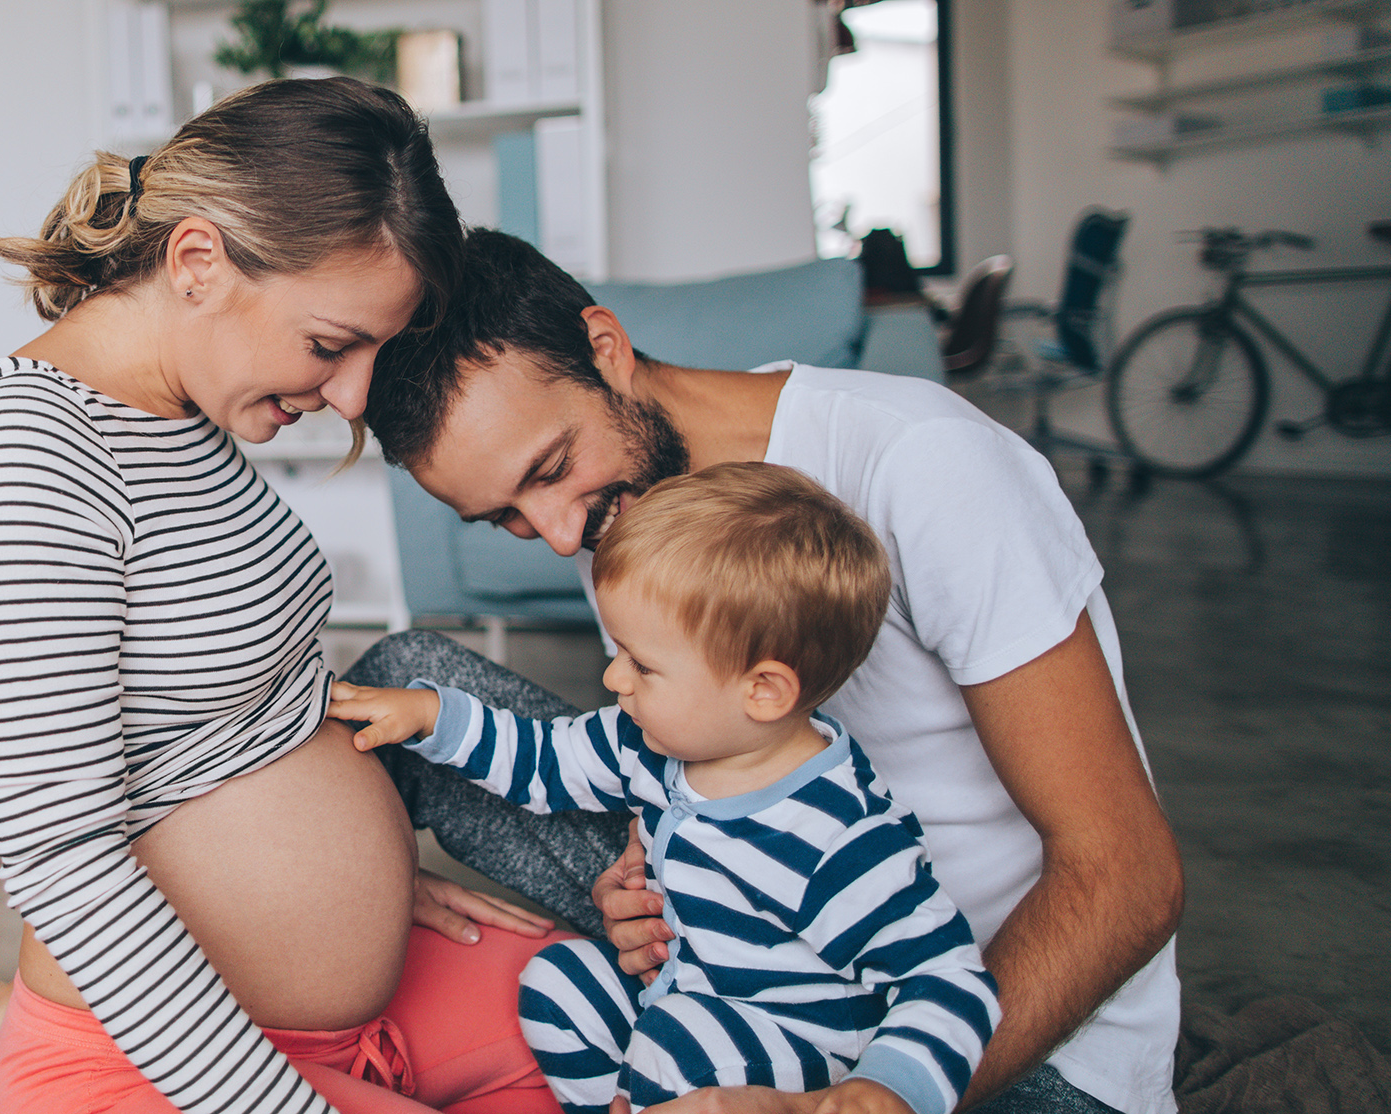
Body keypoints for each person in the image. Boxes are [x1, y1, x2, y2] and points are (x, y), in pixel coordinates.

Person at [349, 229, 1184, 1114]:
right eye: (504, 518)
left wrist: (861, 1100)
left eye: (550, 470)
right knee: (404, 678)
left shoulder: (924, 465)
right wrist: (640, 875)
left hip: (978, 1011)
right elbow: (677, 752)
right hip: (752, 956)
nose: (557, 534)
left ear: (607, 348)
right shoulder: (622, 517)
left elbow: (1129, 876)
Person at [0, 78, 573, 1114]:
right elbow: (64, 860)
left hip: (358, 998)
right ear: (198, 262)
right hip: (161, 1058)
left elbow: (230, 730)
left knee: (648, 1029)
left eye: (373, 352)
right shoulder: (20, 462)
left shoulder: (182, 410)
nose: (352, 396)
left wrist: (367, 883)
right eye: (329, 345)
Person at [332, 462, 1000, 1114]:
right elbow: (545, 759)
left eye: (642, 665)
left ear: (762, 691)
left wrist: (889, 1087)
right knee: (557, 984)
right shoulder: (654, 742)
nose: (614, 680)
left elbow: (945, 979)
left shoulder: (837, 837)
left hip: (794, 1052)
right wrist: (431, 717)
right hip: (682, 995)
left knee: (677, 1045)